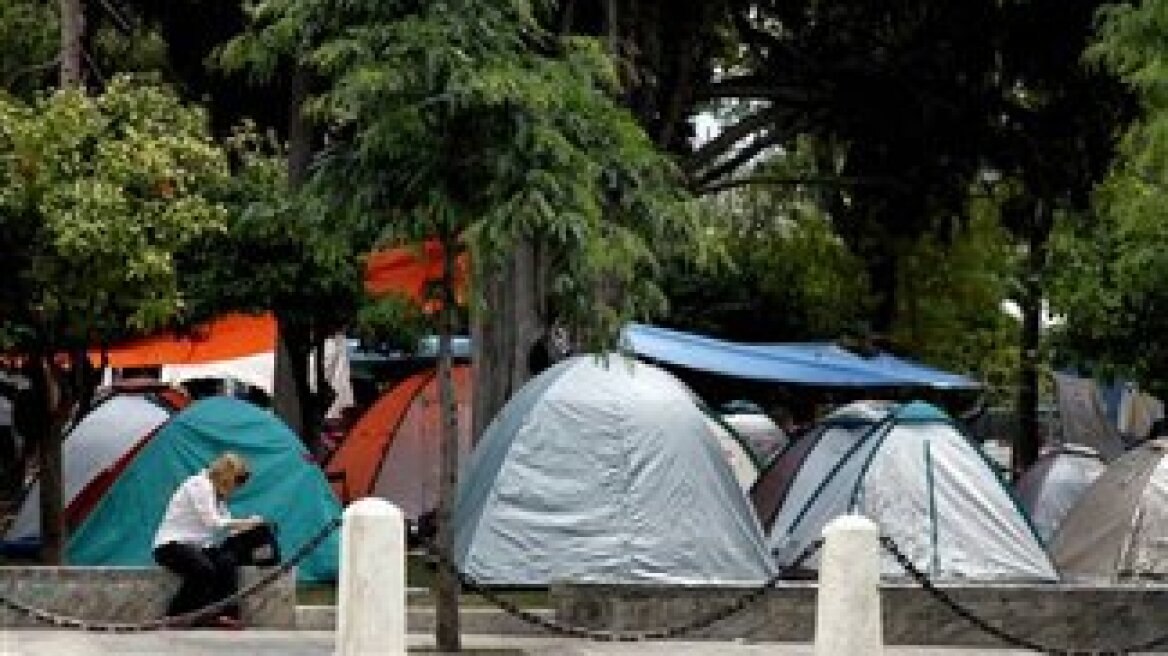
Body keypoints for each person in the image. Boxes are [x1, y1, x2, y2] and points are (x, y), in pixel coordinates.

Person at [152, 452, 265, 628]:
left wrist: (250, 527)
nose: (236, 488)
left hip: (197, 547)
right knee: (204, 570)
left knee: (227, 562)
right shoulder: (199, 485)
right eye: (236, 482)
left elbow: (227, 524)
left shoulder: (216, 494)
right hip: (170, 545)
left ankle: (224, 614)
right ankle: (174, 616)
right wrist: (244, 522)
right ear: (227, 476)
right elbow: (213, 522)